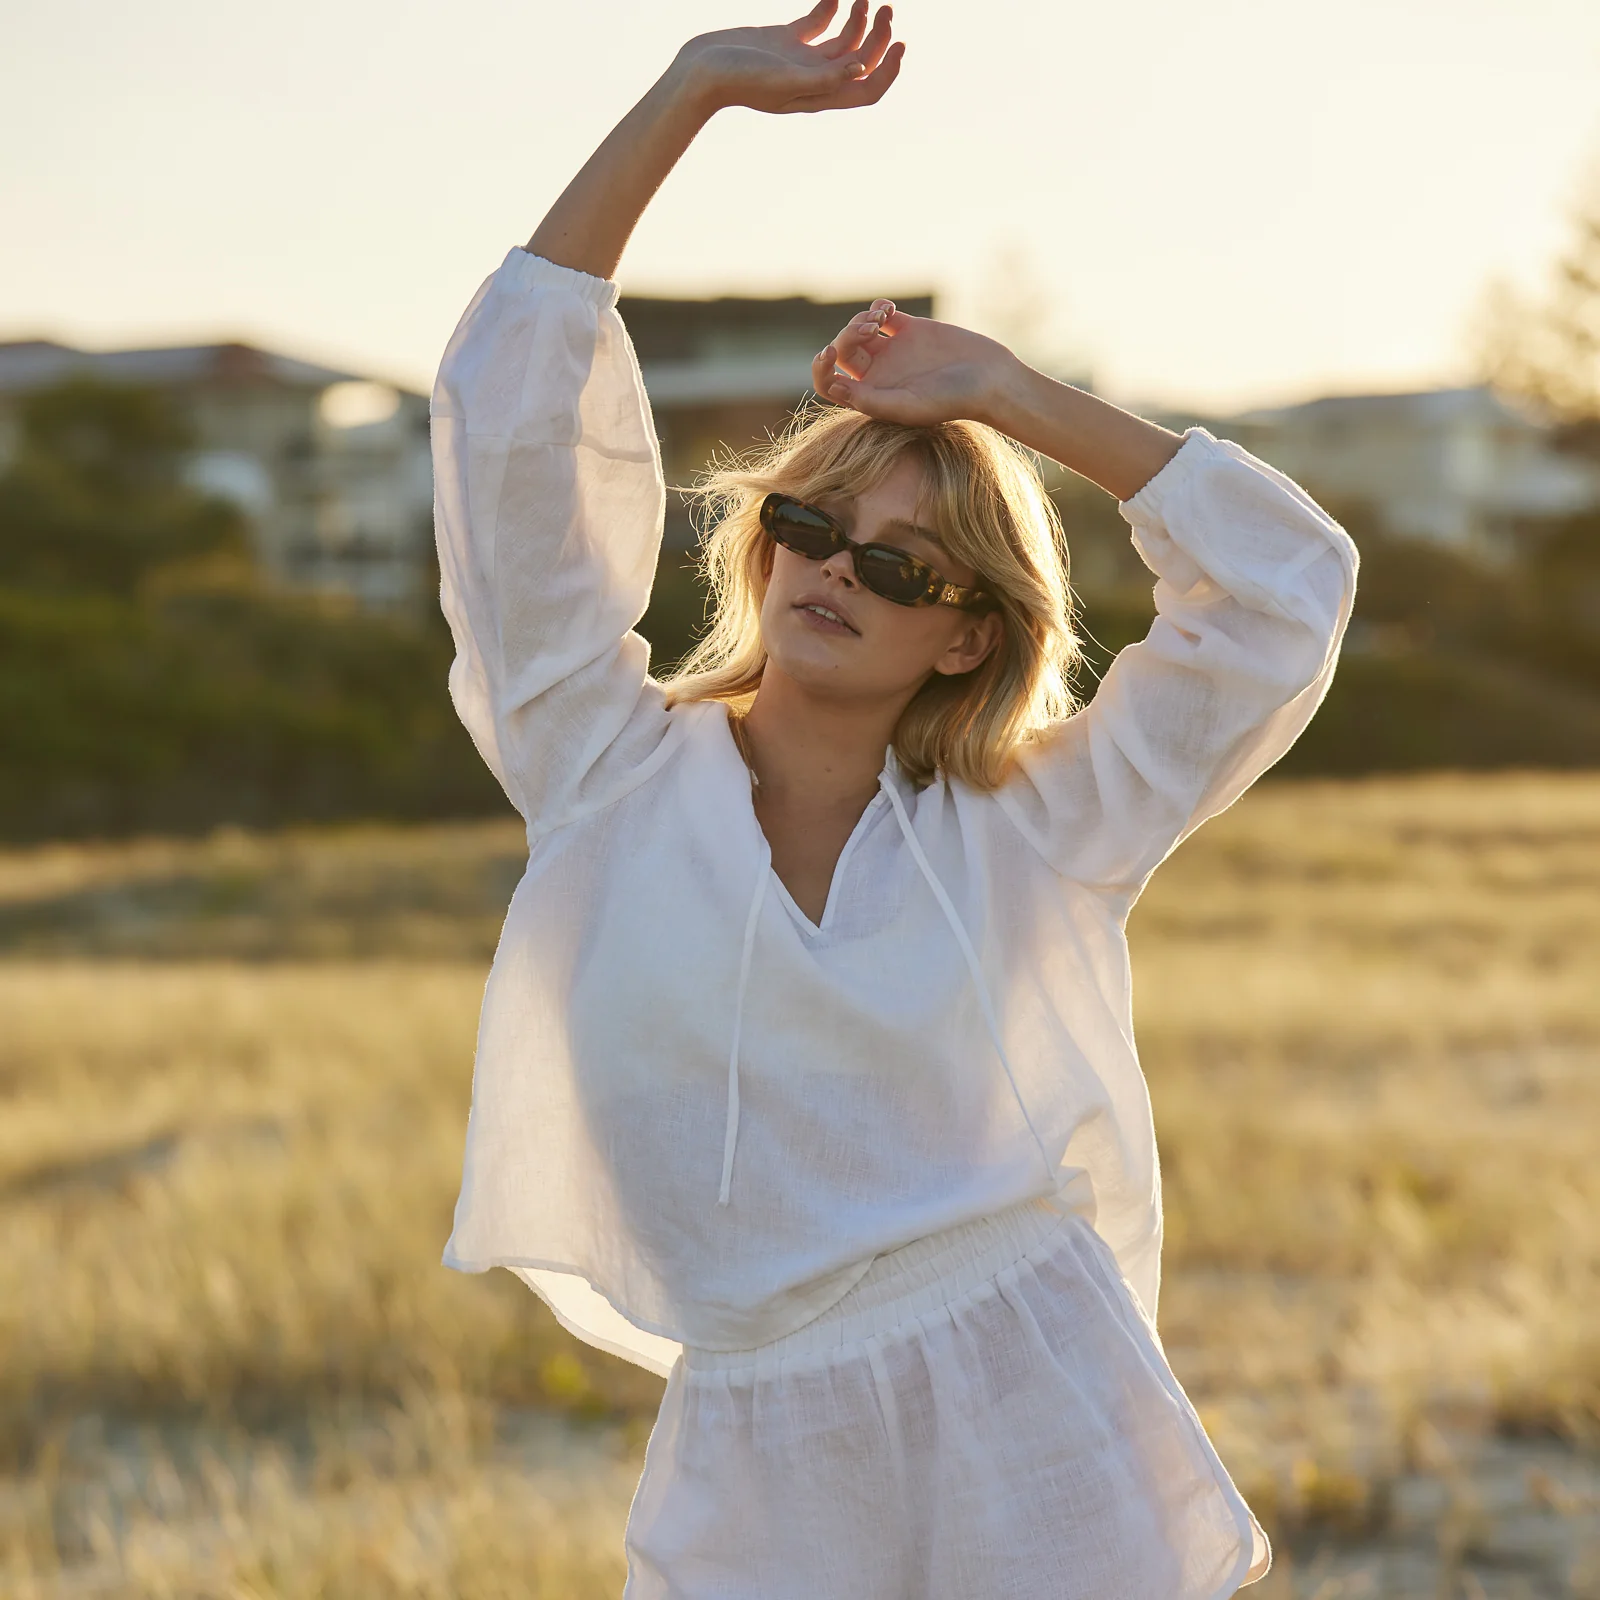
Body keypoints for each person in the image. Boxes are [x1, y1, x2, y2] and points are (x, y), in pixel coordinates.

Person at [430, 3, 1358, 1595]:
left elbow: (1285, 591)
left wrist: (1006, 392)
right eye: (810, 520)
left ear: (968, 631)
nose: (831, 570)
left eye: (899, 564)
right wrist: (691, 91)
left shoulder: (1041, 826)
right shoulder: (600, 769)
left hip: (1035, 1401)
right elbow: (511, 431)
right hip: (758, 1431)